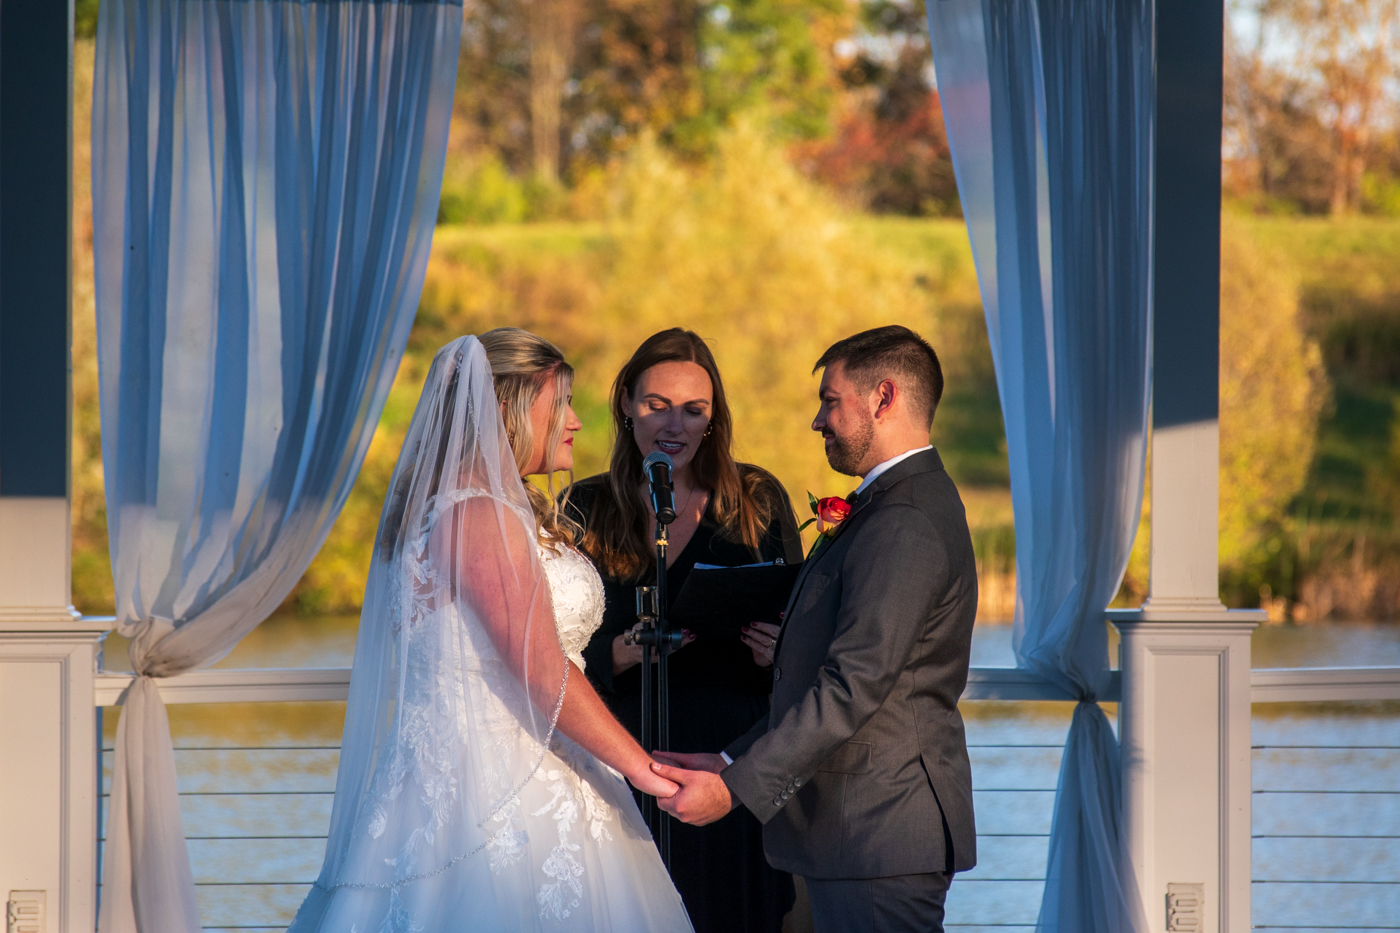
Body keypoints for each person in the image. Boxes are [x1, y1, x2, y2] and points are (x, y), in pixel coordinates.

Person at [290, 330, 694, 933]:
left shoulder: (457, 506)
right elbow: (540, 668)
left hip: (488, 778)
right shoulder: (477, 512)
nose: (576, 423)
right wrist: (645, 771)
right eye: (558, 405)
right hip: (500, 800)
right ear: (506, 409)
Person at [653, 325, 979, 933]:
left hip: (878, 834)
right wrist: (727, 758)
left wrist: (733, 790)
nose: (817, 421)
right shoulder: (889, 504)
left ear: (883, 398)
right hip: (859, 837)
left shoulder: (905, 520)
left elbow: (854, 684)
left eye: (830, 400)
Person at [564, 329, 801, 933]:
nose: (675, 424)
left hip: (727, 772)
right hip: (623, 762)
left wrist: (782, 650)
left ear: (714, 418)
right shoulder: (582, 507)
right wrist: (613, 657)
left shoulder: (758, 500)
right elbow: (548, 647)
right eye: (656, 404)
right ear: (625, 404)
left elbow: (804, 633)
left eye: (695, 410)